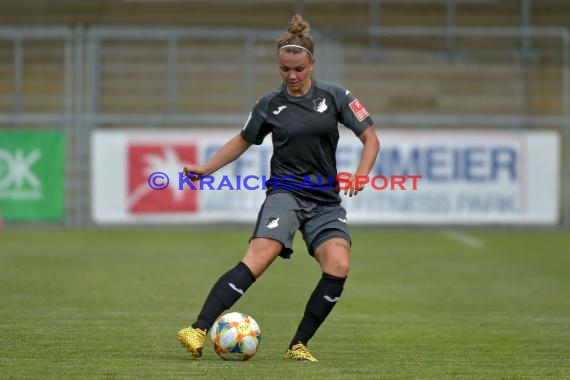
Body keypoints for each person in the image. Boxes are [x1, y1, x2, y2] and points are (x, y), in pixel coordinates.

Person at [177, 14, 380, 362]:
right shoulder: (270, 104)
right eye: (285, 69)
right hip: (285, 193)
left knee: (339, 265)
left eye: (299, 68)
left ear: (312, 64)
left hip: (325, 201)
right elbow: (243, 140)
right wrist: (206, 168)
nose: (292, 75)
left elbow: (370, 139)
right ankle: (197, 328)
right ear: (278, 66)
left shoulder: (335, 96)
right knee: (259, 257)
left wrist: (362, 173)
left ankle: (298, 345)